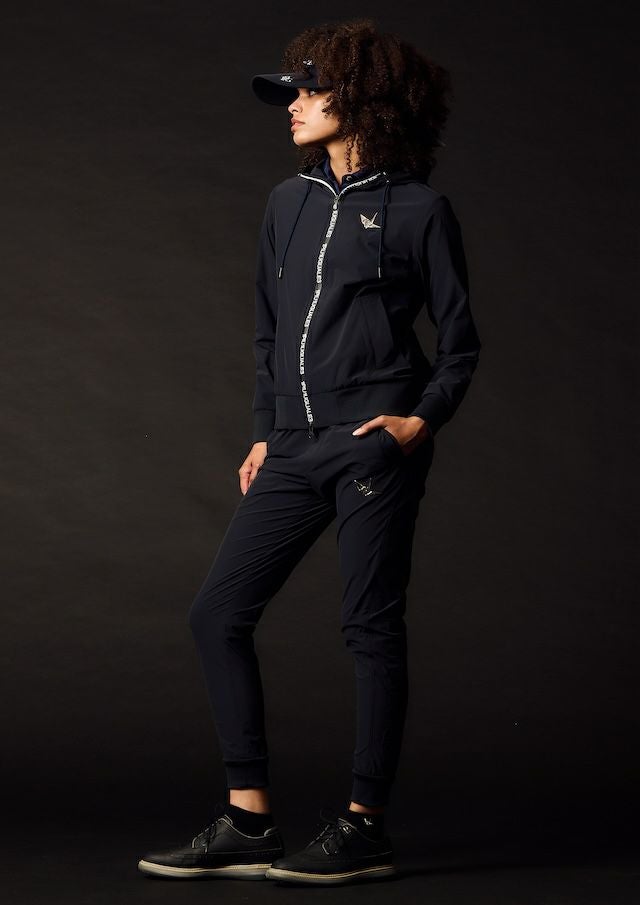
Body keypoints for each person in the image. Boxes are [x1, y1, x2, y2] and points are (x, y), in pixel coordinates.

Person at [137, 17, 481, 886]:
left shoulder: (419, 210)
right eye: (291, 91)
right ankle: (250, 820)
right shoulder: (284, 203)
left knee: (369, 627)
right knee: (217, 613)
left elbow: (461, 342)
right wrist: (265, 428)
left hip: (372, 447)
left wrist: (418, 421)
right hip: (292, 445)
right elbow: (268, 327)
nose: (292, 105)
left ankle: (365, 826)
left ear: (361, 97)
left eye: (309, 90)